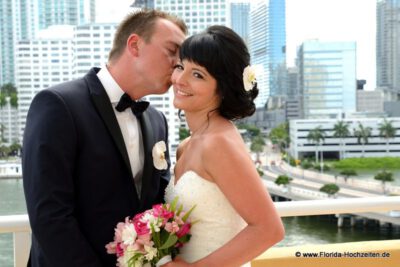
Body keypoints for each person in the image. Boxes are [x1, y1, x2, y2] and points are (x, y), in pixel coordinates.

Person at [22, 9, 186, 267]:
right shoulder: (58, 104)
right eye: (171, 51)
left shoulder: (157, 121)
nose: (178, 64)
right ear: (135, 45)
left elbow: (155, 205)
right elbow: (50, 215)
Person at [164, 25, 285, 267]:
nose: (180, 80)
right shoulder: (187, 145)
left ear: (223, 88)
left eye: (197, 75)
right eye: (180, 67)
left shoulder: (217, 143)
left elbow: (270, 229)